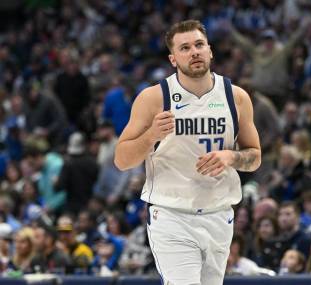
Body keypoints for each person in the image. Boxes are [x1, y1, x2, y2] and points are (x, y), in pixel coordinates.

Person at [114, 20, 261, 285]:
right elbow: (122, 160)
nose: (194, 52)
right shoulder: (154, 98)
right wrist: (151, 136)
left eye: (199, 45)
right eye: (185, 48)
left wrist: (231, 157)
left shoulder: (235, 97)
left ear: (210, 51)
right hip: (172, 215)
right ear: (173, 58)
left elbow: (255, 157)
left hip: (219, 213)